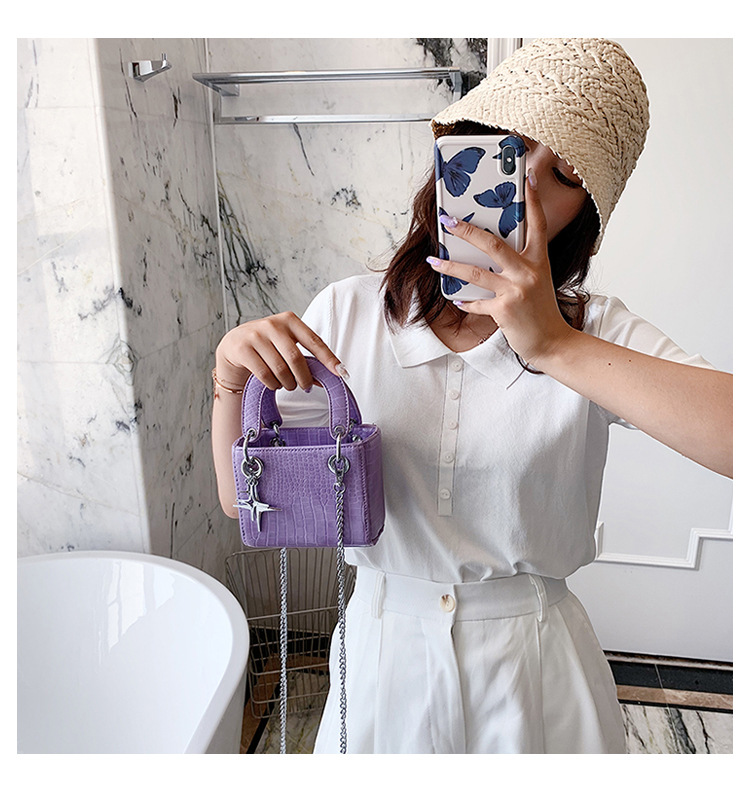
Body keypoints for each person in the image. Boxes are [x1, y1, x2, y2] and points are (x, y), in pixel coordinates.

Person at [211, 39, 732, 753]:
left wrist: (553, 345)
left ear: (582, 215)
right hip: (384, 660)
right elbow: (241, 501)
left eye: (564, 174)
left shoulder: (594, 330)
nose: (524, 184)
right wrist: (230, 379)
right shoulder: (349, 315)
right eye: (505, 148)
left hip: (536, 671)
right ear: (455, 153)